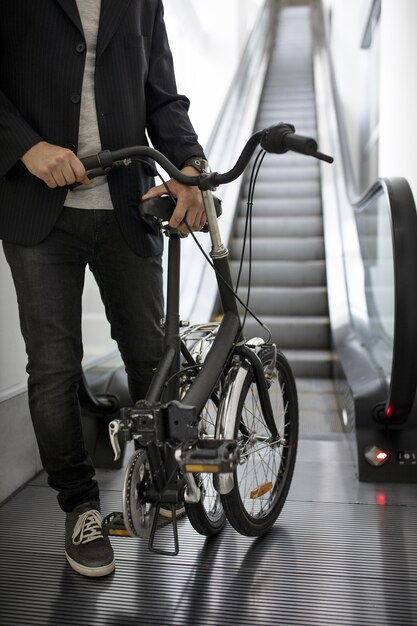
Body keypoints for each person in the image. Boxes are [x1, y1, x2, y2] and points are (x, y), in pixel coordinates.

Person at [0, 0, 207, 577]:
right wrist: (27, 146)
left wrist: (190, 164)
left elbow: (161, 93)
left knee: (152, 356)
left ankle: (164, 484)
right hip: (39, 213)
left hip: (128, 207)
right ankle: (81, 508)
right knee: (53, 371)